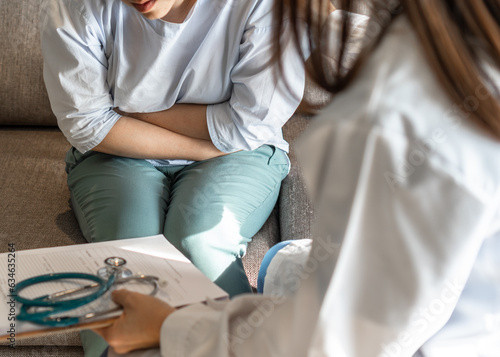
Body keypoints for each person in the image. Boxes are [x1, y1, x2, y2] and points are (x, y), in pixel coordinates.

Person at [90, 0, 500, 356]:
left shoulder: (394, 115)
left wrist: (168, 329)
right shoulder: (465, 58)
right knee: (281, 266)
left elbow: (331, 343)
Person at [40, 0, 305, 355]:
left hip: (240, 154)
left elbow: (248, 125)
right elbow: (87, 123)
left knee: (201, 240)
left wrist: (129, 110)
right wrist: (204, 148)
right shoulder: (75, 7)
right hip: (119, 151)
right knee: (129, 249)